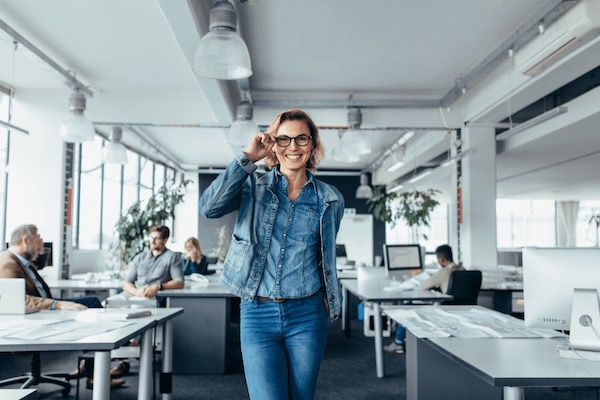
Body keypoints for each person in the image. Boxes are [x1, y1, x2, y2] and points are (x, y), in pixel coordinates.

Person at [199, 109, 345, 400]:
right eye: (284, 139)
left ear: (313, 144)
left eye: (301, 139)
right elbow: (209, 208)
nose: (293, 147)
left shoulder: (330, 199)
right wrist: (248, 158)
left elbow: (323, 258)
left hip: (307, 313)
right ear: (273, 144)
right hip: (257, 311)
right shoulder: (252, 187)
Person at [384, 244, 464, 354]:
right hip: (463, 309)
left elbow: (422, 286)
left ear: (441, 259)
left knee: (406, 307)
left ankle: (398, 343)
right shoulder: (462, 269)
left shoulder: (444, 271)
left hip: (444, 308)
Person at [0, 224, 96, 311]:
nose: (41, 244)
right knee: (92, 303)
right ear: (25, 241)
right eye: (38, 241)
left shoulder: (24, 260)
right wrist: (56, 304)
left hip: (48, 302)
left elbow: (40, 264)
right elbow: (15, 300)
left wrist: (40, 249)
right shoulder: (7, 265)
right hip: (43, 307)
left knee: (92, 301)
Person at [107, 224, 184, 302]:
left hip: (150, 296)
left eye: (156, 238)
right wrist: (137, 292)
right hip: (131, 294)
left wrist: (158, 287)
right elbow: (127, 283)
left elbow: (179, 282)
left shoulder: (172, 257)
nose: (152, 241)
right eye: (151, 238)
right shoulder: (140, 257)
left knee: (136, 308)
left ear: (165, 240)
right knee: (105, 304)